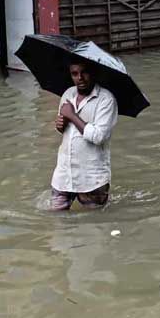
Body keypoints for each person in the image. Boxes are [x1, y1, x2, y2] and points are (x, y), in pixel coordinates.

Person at [50, 61, 118, 211]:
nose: (80, 78)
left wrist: (72, 116)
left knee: (93, 226)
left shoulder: (106, 100)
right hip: (63, 173)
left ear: (93, 73)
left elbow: (99, 136)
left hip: (91, 178)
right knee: (56, 220)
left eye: (84, 72)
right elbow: (65, 131)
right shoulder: (68, 94)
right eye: (74, 73)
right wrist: (60, 125)